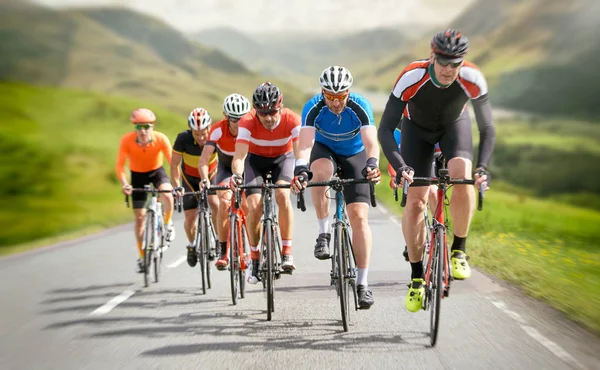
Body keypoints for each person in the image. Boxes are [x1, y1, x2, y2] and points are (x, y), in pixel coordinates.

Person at [378, 29, 495, 312]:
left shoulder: (472, 78)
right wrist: (400, 166)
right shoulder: (411, 77)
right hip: (415, 131)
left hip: (454, 126)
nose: (448, 69)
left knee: (462, 172)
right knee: (416, 200)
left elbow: (487, 128)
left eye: (455, 63)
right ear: (432, 55)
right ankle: (417, 278)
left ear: (462, 62)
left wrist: (482, 168)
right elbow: (384, 129)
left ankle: (459, 251)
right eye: (443, 61)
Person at [291, 66, 380, 309]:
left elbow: (371, 143)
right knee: (319, 173)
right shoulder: (313, 107)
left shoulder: (360, 105)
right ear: (322, 92)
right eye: (330, 96)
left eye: (341, 96)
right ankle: (324, 232)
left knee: (359, 218)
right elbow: (306, 144)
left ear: (349, 93)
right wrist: (301, 168)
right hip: (324, 151)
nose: (335, 102)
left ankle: (362, 284)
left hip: (354, 154)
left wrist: (372, 164)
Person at [229, 82, 301, 284]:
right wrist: (236, 176)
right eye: (263, 113)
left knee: (282, 196)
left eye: (272, 112)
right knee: (254, 207)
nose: (268, 118)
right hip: (255, 162)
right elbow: (240, 157)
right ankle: (254, 256)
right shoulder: (247, 121)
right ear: (255, 111)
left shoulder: (292, 119)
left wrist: (300, 173)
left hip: (283, 159)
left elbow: (298, 153)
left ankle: (287, 252)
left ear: (280, 107)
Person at [116, 108, 175, 273]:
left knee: (167, 194)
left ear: (152, 127)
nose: (143, 130)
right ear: (134, 128)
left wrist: (176, 183)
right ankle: (142, 257)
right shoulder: (126, 140)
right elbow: (120, 166)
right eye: (138, 127)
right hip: (137, 175)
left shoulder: (161, 139)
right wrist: (124, 183)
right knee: (140, 217)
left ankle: (167, 223)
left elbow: (172, 162)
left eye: (146, 126)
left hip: (157, 171)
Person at [199, 93, 251, 270]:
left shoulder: (252, 128)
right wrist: (205, 179)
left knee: (250, 205)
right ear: (225, 115)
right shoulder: (217, 129)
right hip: (226, 169)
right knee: (223, 202)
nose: (237, 122)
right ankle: (223, 250)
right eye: (232, 118)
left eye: (241, 118)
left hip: (247, 167)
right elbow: (204, 159)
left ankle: (255, 250)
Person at [171, 108, 219, 267]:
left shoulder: (215, 136)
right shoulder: (182, 139)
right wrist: (177, 186)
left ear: (209, 127)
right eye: (196, 134)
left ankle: (220, 240)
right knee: (190, 217)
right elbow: (174, 165)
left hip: (211, 175)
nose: (201, 138)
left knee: (215, 203)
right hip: (189, 179)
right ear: (190, 131)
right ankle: (192, 246)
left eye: (204, 133)